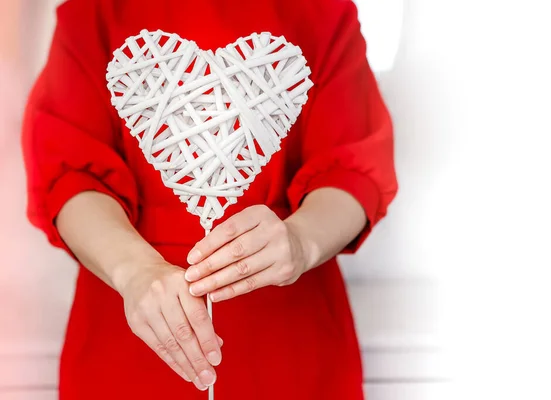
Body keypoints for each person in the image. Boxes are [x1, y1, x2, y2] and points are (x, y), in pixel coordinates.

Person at [22, 0, 397, 398]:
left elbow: (351, 170)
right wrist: (134, 270)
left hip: (288, 332)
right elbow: (69, 175)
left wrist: (302, 241)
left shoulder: (324, 13)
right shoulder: (92, 13)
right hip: (130, 324)